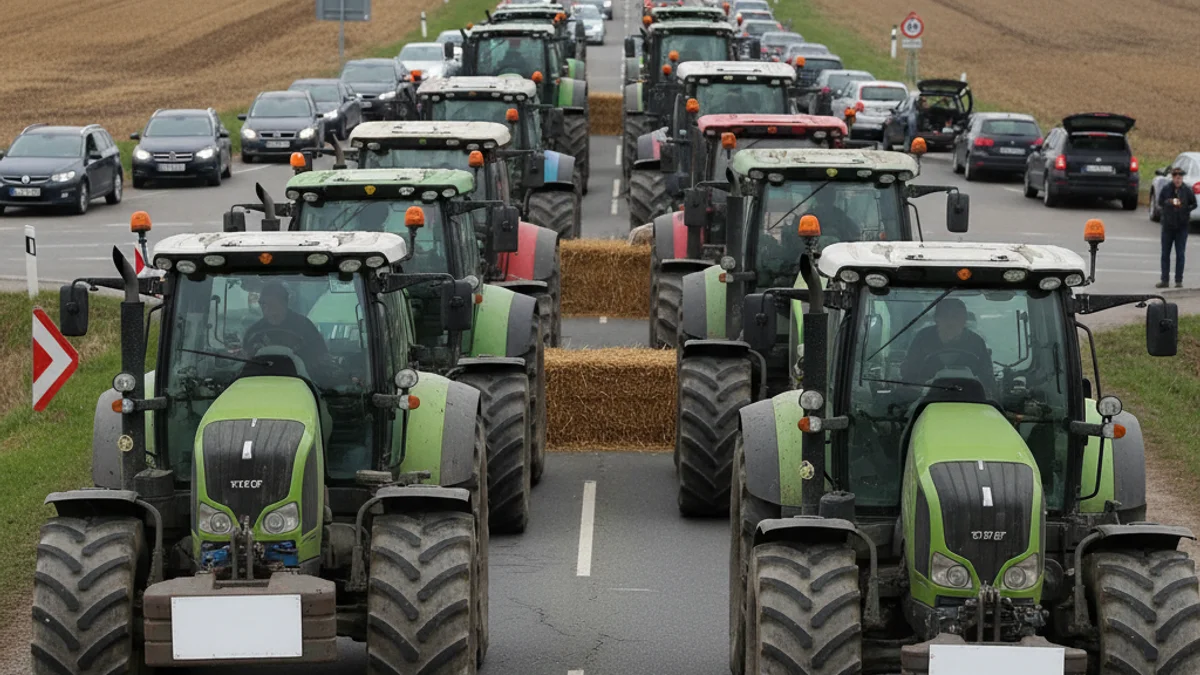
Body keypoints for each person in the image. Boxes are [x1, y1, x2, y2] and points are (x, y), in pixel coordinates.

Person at [900, 297, 993, 389]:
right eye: (945, 316)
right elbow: (909, 373)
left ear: (964, 320)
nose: (950, 321)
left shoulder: (977, 343)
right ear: (936, 318)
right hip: (925, 397)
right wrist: (923, 384)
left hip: (969, 397)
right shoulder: (922, 339)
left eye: (955, 317)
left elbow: (987, 379)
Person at [243, 282, 329, 366]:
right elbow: (245, 360)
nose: (269, 310)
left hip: (301, 378)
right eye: (264, 305)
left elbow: (321, 359)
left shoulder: (306, 328)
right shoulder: (253, 333)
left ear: (285, 302)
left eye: (273, 304)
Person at [1156, 166, 1195, 288]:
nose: (1178, 180)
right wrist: (1170, 202)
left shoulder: (1187, 190)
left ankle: (1179, 280)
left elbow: (1193, 203)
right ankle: (1165, 280)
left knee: (1180, 254)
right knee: (1165, 254)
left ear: (1182, 178)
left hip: (1182, 227)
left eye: (1180, 178)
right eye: (1176, 177)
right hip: (1168, 226)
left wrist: (1185, 210)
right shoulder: (1167, 189)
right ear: (1172, 178)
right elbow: (1160, 202)